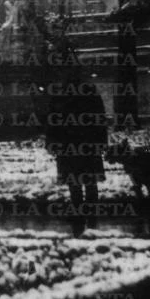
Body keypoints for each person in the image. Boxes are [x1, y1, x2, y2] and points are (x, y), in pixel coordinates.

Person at [42, 46, 108, 237]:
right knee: (88, 181)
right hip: (86, 144)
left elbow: (52, 119)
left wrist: (52, 141)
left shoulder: (61, 92)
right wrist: (101, 141)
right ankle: (90, 215)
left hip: (68, 144)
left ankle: (80, 214)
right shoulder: (88, 90)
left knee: (76, 182)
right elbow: (99, 118)